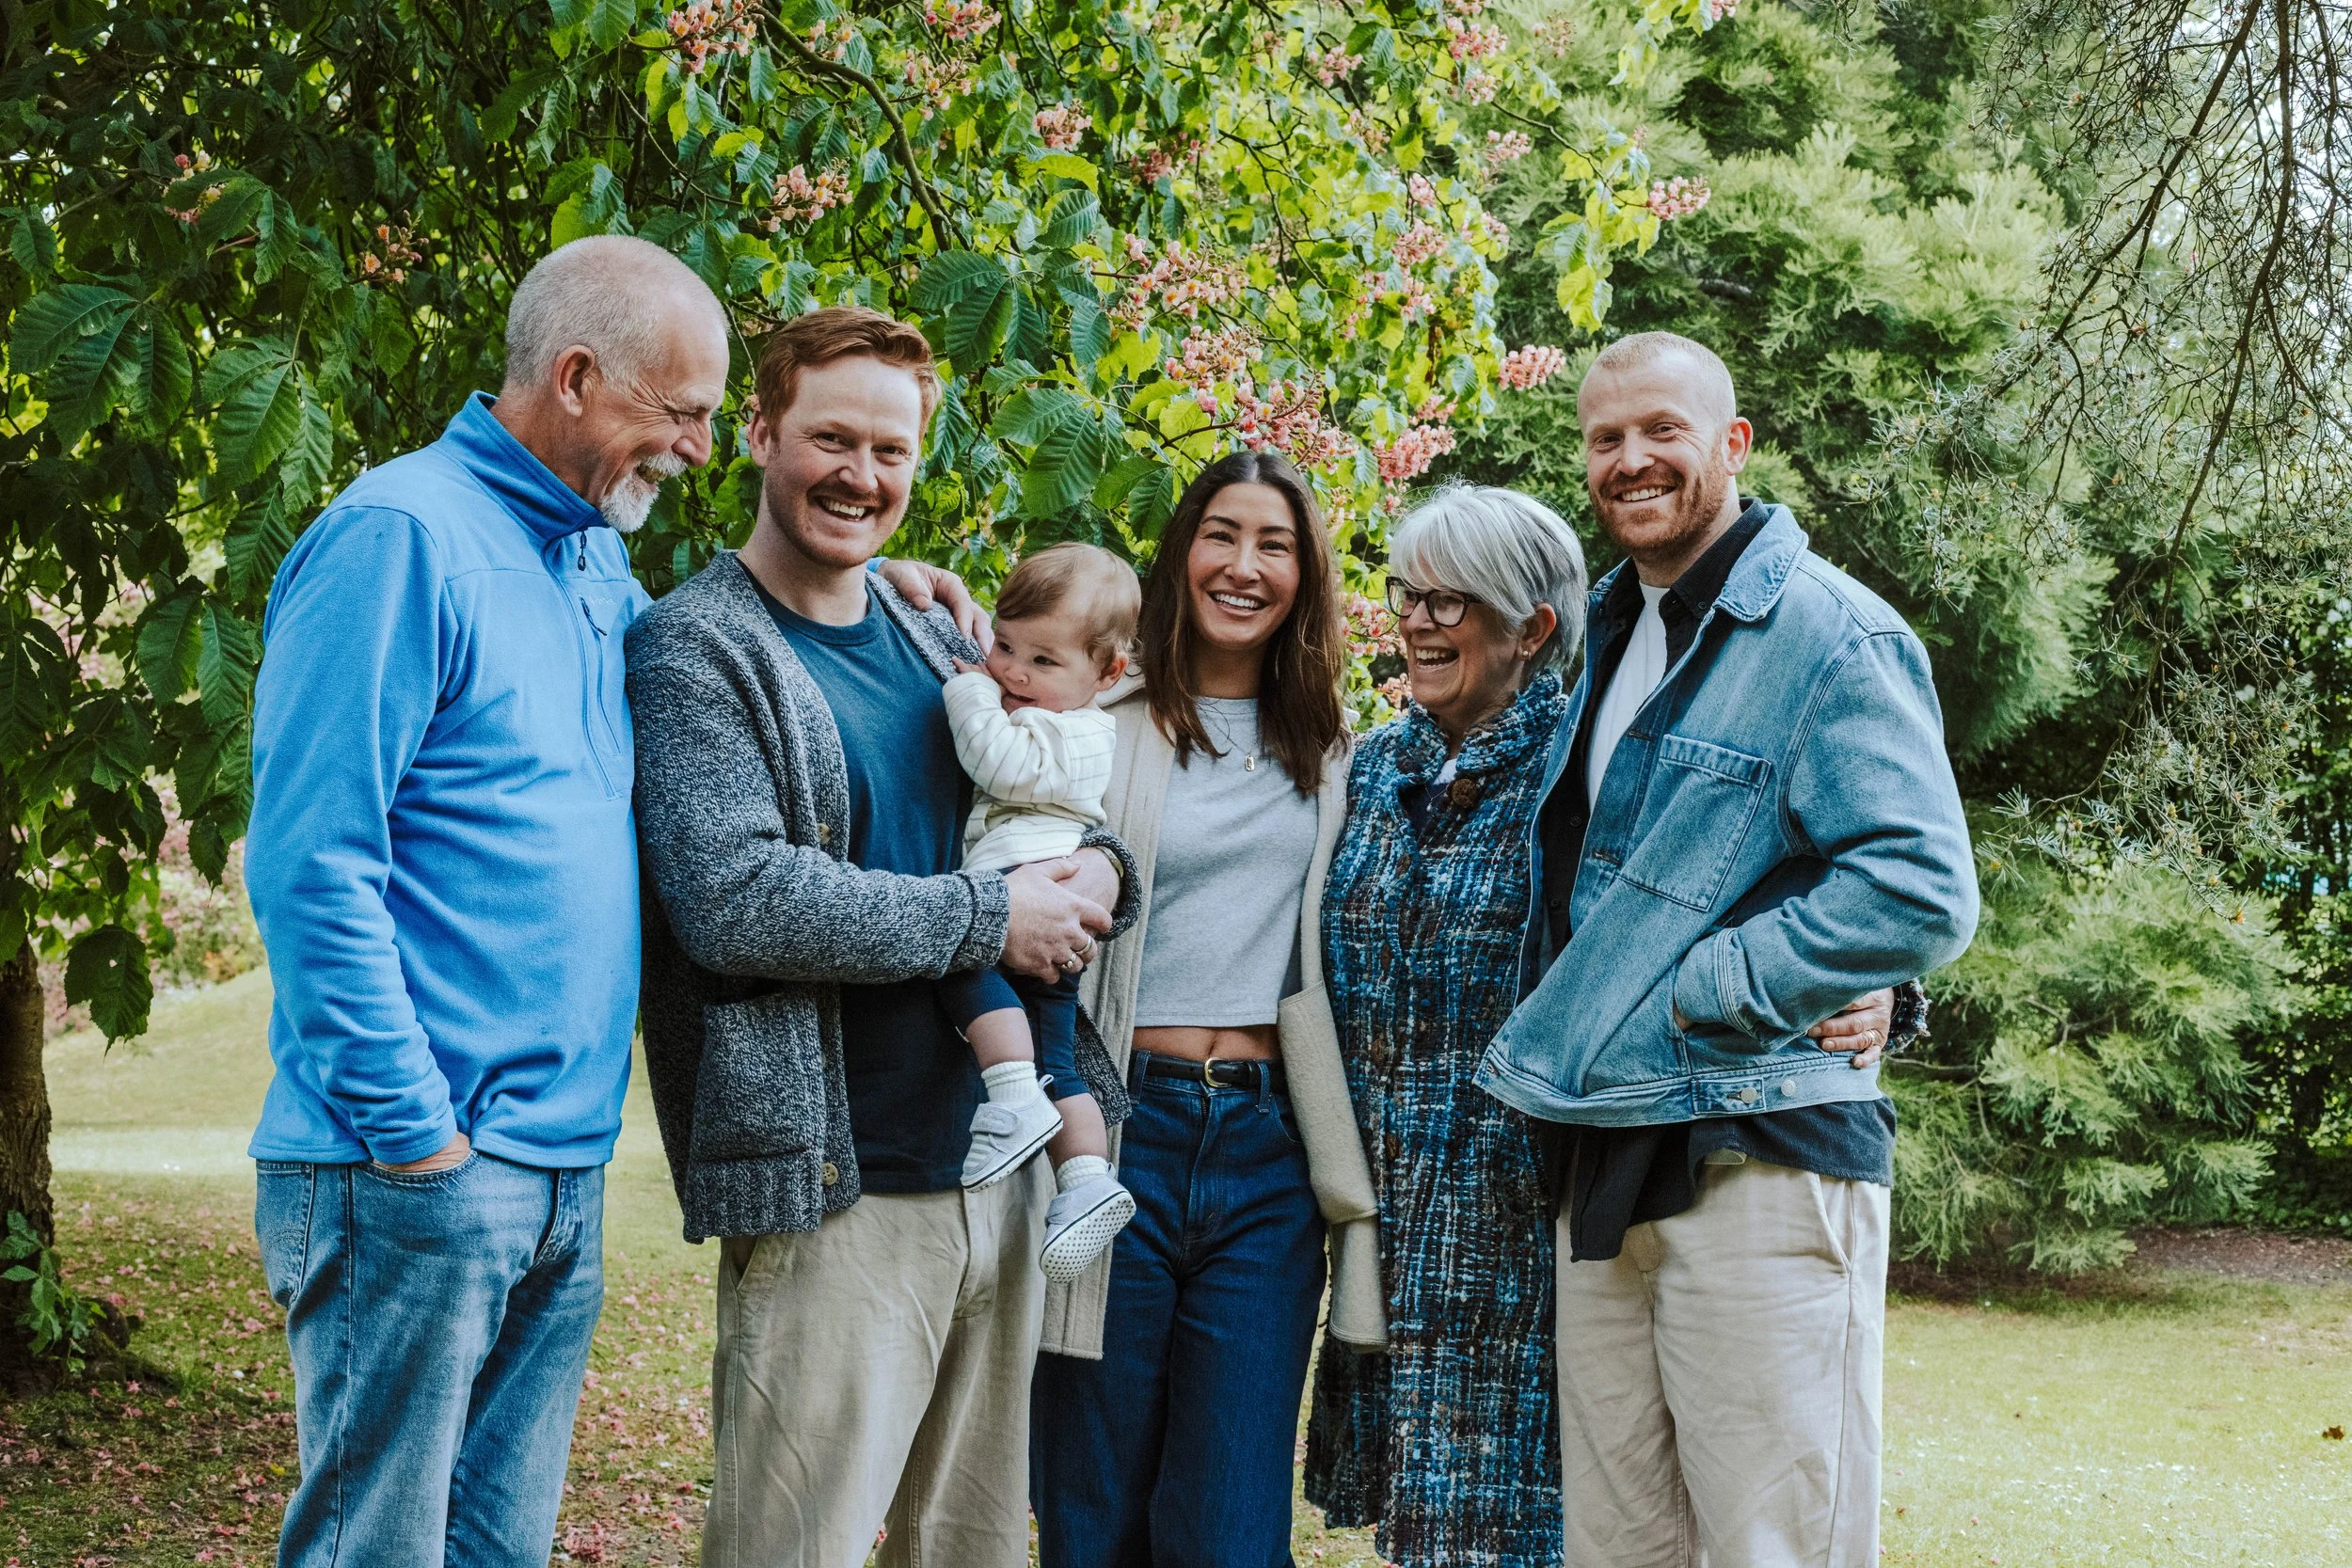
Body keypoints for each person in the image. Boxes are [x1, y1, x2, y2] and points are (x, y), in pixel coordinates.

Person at [626, 305, 1137, 1568]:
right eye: (832, 438)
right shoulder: (696, 648)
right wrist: (991, 915)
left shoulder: (932, 628)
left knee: (970, 1546)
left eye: (891, 450)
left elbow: (1035, 798)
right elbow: (736, 898)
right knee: (789, 1547)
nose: (861, 474)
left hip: (997, 1168)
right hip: (834, 1190)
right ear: (759, 430)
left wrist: (1102, 870)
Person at [244, 235, 729, 1567]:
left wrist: (888, 587)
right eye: (680, 411)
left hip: (561, 1169)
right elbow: (311, 861)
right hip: (412, 1170)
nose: (698, 448)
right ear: (575, 377)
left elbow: (726, 659)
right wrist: (419, 1139)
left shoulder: (594, 559)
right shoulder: (399, 537)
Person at [1476, 331, 1979, 1567]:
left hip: (1760, 1142)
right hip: (1608, 1145)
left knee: (1771, 1545)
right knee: (1618, 1548)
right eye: (1605, 438)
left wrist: (1714, 984)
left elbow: (1918, 886)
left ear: (1733, 443)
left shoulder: (1830, 633)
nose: (1631, 459)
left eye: (1663, 429)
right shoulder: (1604, 633)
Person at [1029, 449, 1388, 1568]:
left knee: (1229, 1526)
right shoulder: (1097, 721)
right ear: (1181, 551)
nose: (1243, 564)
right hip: (1114, 1131)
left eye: (1274, 544)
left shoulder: (1336, 750)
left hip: (1268, 1152)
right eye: (1220, 534)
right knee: (1092, 1507)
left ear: (1305, 574)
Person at [939, 542, 1144, 1281]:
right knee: (1059, 1054)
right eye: (1003, 646)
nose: (1013, 672)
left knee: (956, 968)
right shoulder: (1053, 708)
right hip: (1054, 901)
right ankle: (1086, 1180)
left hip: (1023, 885)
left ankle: (1012, 1097)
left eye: (1043, 661)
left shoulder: (1080, 731)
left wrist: (967, 690)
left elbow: (997, 761)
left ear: (1108, 673)